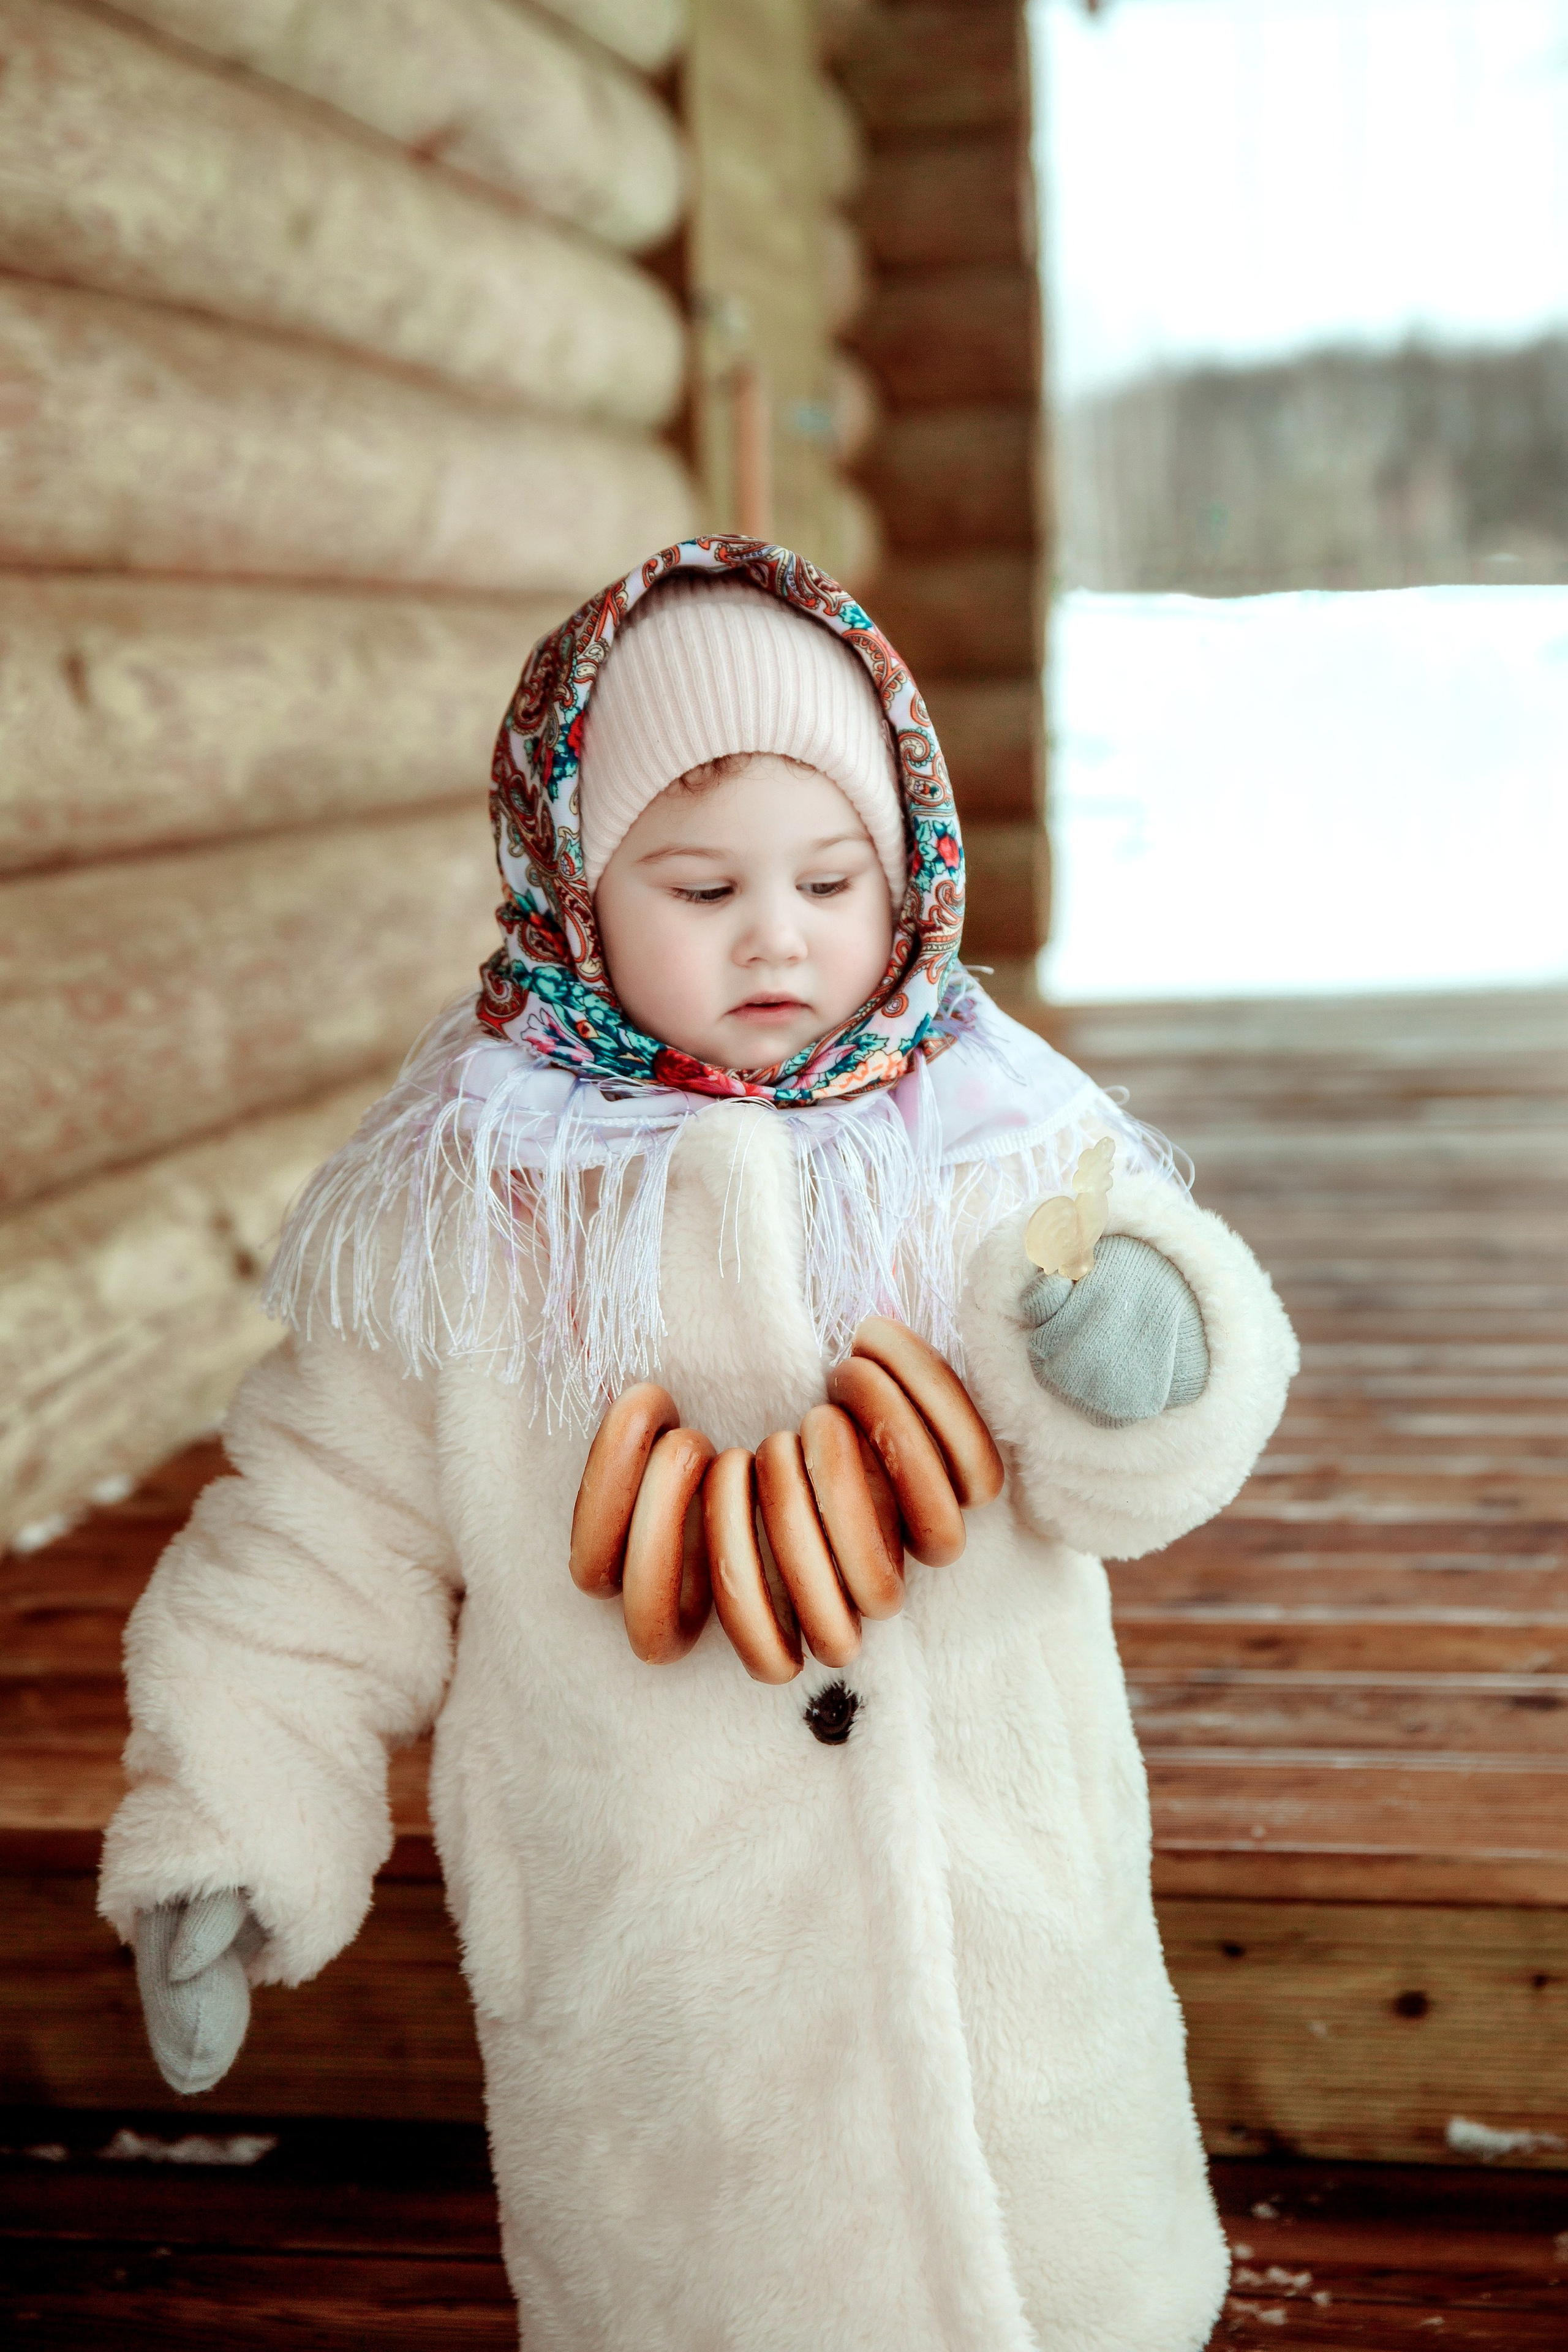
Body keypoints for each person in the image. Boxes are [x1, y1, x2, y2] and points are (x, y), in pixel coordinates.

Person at [100, 538, 1295, 2351]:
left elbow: (1147, 1460)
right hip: (667, 1974)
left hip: (1011, 1939)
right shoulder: (477, 1204)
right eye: (699, 881)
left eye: (832, 879)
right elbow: (319, 1533)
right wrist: (231, 1821)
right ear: (573, 883)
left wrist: (1148, 1355)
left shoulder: (993, 1138)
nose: (778, 934)